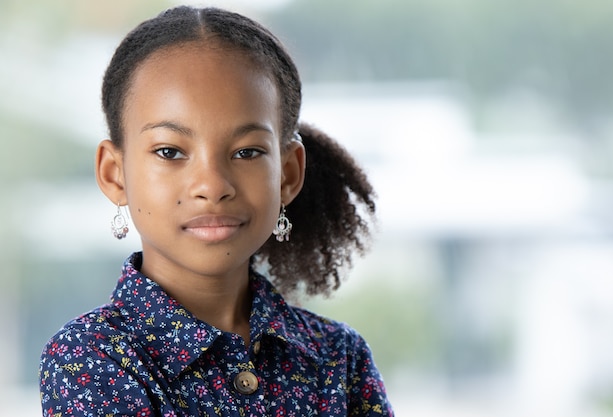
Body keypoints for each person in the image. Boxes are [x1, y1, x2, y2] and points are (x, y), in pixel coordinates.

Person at [39, 6, 393, 416]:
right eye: (170, 152)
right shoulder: (90, 358)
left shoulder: (339, 358)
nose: (212, 186)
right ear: (115, 175)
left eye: (247, 152)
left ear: (288, 174)